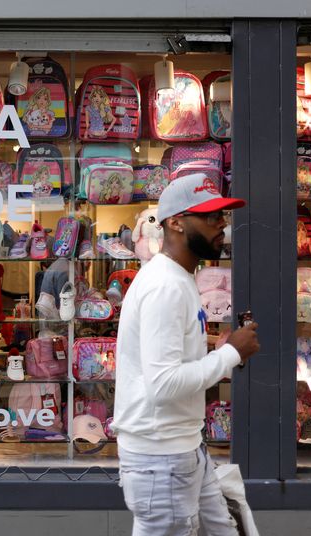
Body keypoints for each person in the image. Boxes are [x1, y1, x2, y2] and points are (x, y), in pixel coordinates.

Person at [113, 173, 260, 535]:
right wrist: (230, 354)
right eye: (210, 217)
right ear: (175, 222)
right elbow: (163, 383)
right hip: (160, 457)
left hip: (181, 447)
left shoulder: (178, 278)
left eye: (222, 216)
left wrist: (214, 345)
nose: (221, 225)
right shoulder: (166, 286)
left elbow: (170, 355)